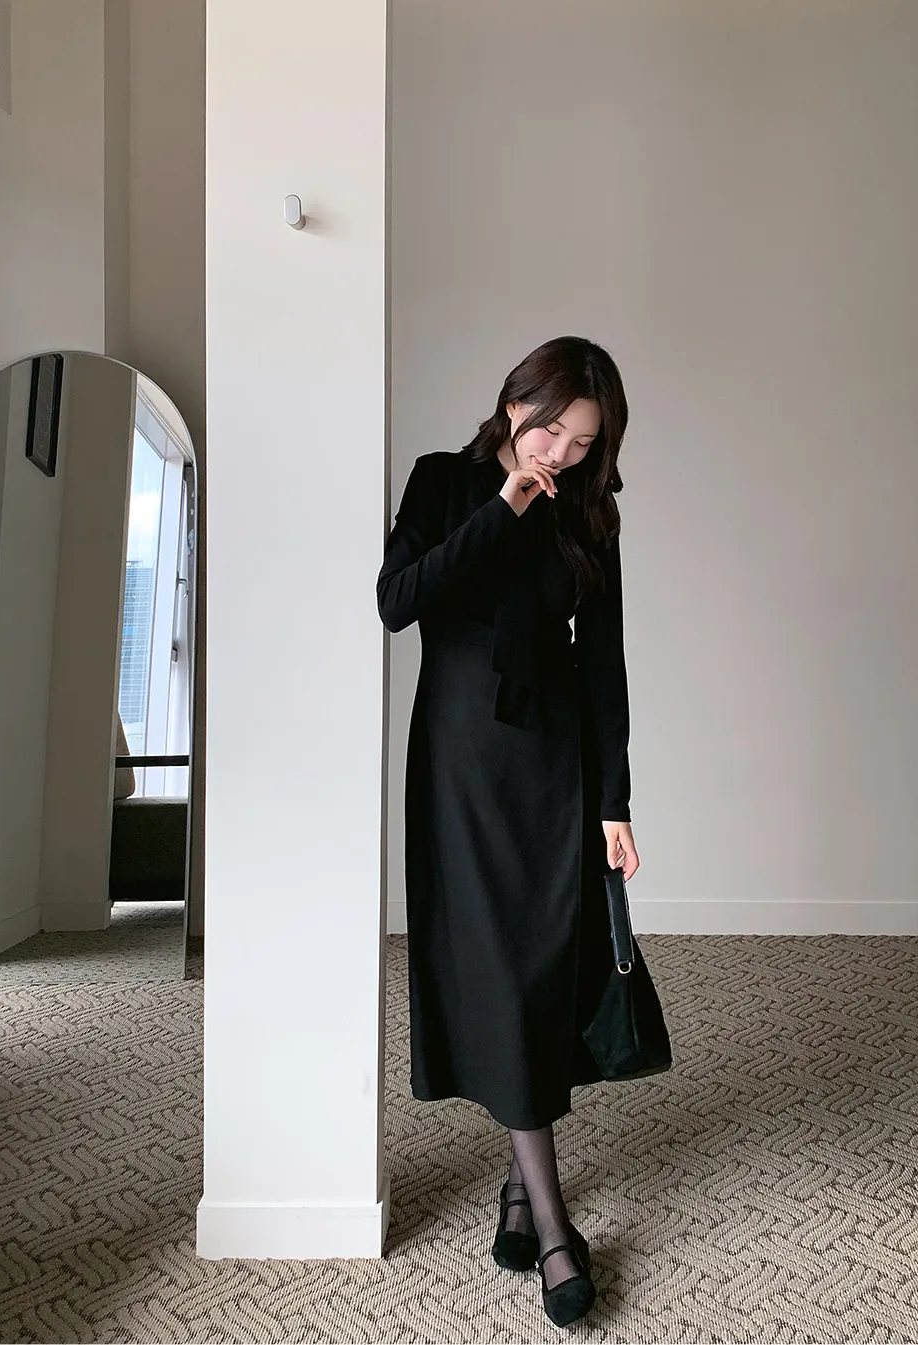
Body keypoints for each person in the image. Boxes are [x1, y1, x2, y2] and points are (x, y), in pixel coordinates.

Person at [376, 334, 639, 1328]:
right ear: (515, 400)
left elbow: (604, 661)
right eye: (553, 429)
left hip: (554, 768)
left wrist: (614, 800)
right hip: (460, 767)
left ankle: (522, 1193)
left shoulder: (590, 513)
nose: (562, 453)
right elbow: (398, 600)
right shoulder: (443, 482)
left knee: (540, 970)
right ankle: (556, 1224)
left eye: (584, 442)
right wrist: (505, 505)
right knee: (492, 969)